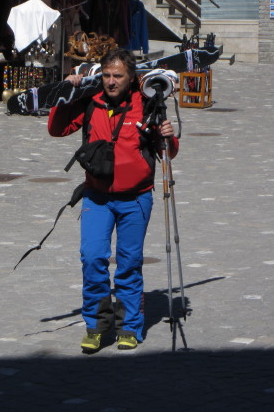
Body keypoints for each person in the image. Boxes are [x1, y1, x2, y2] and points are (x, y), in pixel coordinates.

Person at [47, 48, 178, 352]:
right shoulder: (91, 100)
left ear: (131, 78)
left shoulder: (146, 103)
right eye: (106, 75)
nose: (110, 81)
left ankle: (130, 326)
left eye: (117, 76)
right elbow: (57, 129)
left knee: (129, 264)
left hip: (136, 199)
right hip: (97, 196)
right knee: (92, 258)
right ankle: (96, 325)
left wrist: (168, 136)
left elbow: (167, 152)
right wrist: (68, 91)